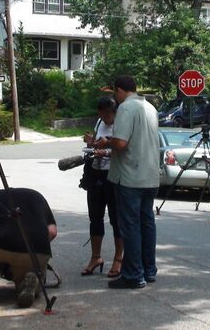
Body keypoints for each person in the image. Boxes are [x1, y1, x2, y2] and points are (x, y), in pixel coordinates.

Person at [94, 75, 160, 289]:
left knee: (130, 226)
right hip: (150, 176)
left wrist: (106, 142)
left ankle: (133, 275)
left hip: (130, 177)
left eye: (115, 92)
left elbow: (121, 142)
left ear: (120, 90)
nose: (115, 97)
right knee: (147, 223)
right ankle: (149, 270)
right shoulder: (150, 107)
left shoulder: (126, 108)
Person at [0, 187, 57, 308]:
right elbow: (52, 232)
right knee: (25, 278)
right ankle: (30, 284)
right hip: (40, 253)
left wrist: (2, 265)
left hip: (7, 246)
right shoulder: (37, 196)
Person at [81, 97, 124, 278]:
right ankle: (96, 257)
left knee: (116, 219)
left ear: (114, 112)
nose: (104, 117)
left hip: (113, 175)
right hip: (96, 174)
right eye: (101, 114)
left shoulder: (121, 125)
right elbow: (98, 144)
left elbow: (123, 149)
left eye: (106, 114)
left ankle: (118, 259)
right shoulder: (100, 122)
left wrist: (105, 151)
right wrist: (92, 143)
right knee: (95, 218)